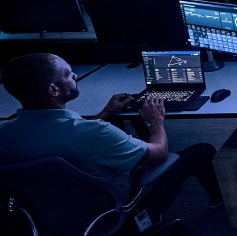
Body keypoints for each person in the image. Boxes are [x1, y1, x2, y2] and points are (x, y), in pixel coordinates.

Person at [0, 53, 223, 213]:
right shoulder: (95, 133)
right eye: (68, 74)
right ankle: (219, 201)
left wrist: (106, 112)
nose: (75, 75)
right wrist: (156, 122)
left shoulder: (5, 135)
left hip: (49, 214)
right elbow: (159, 154)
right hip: (116, 208)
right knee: (202, 151)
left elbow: (61, 136)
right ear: (53, 90)